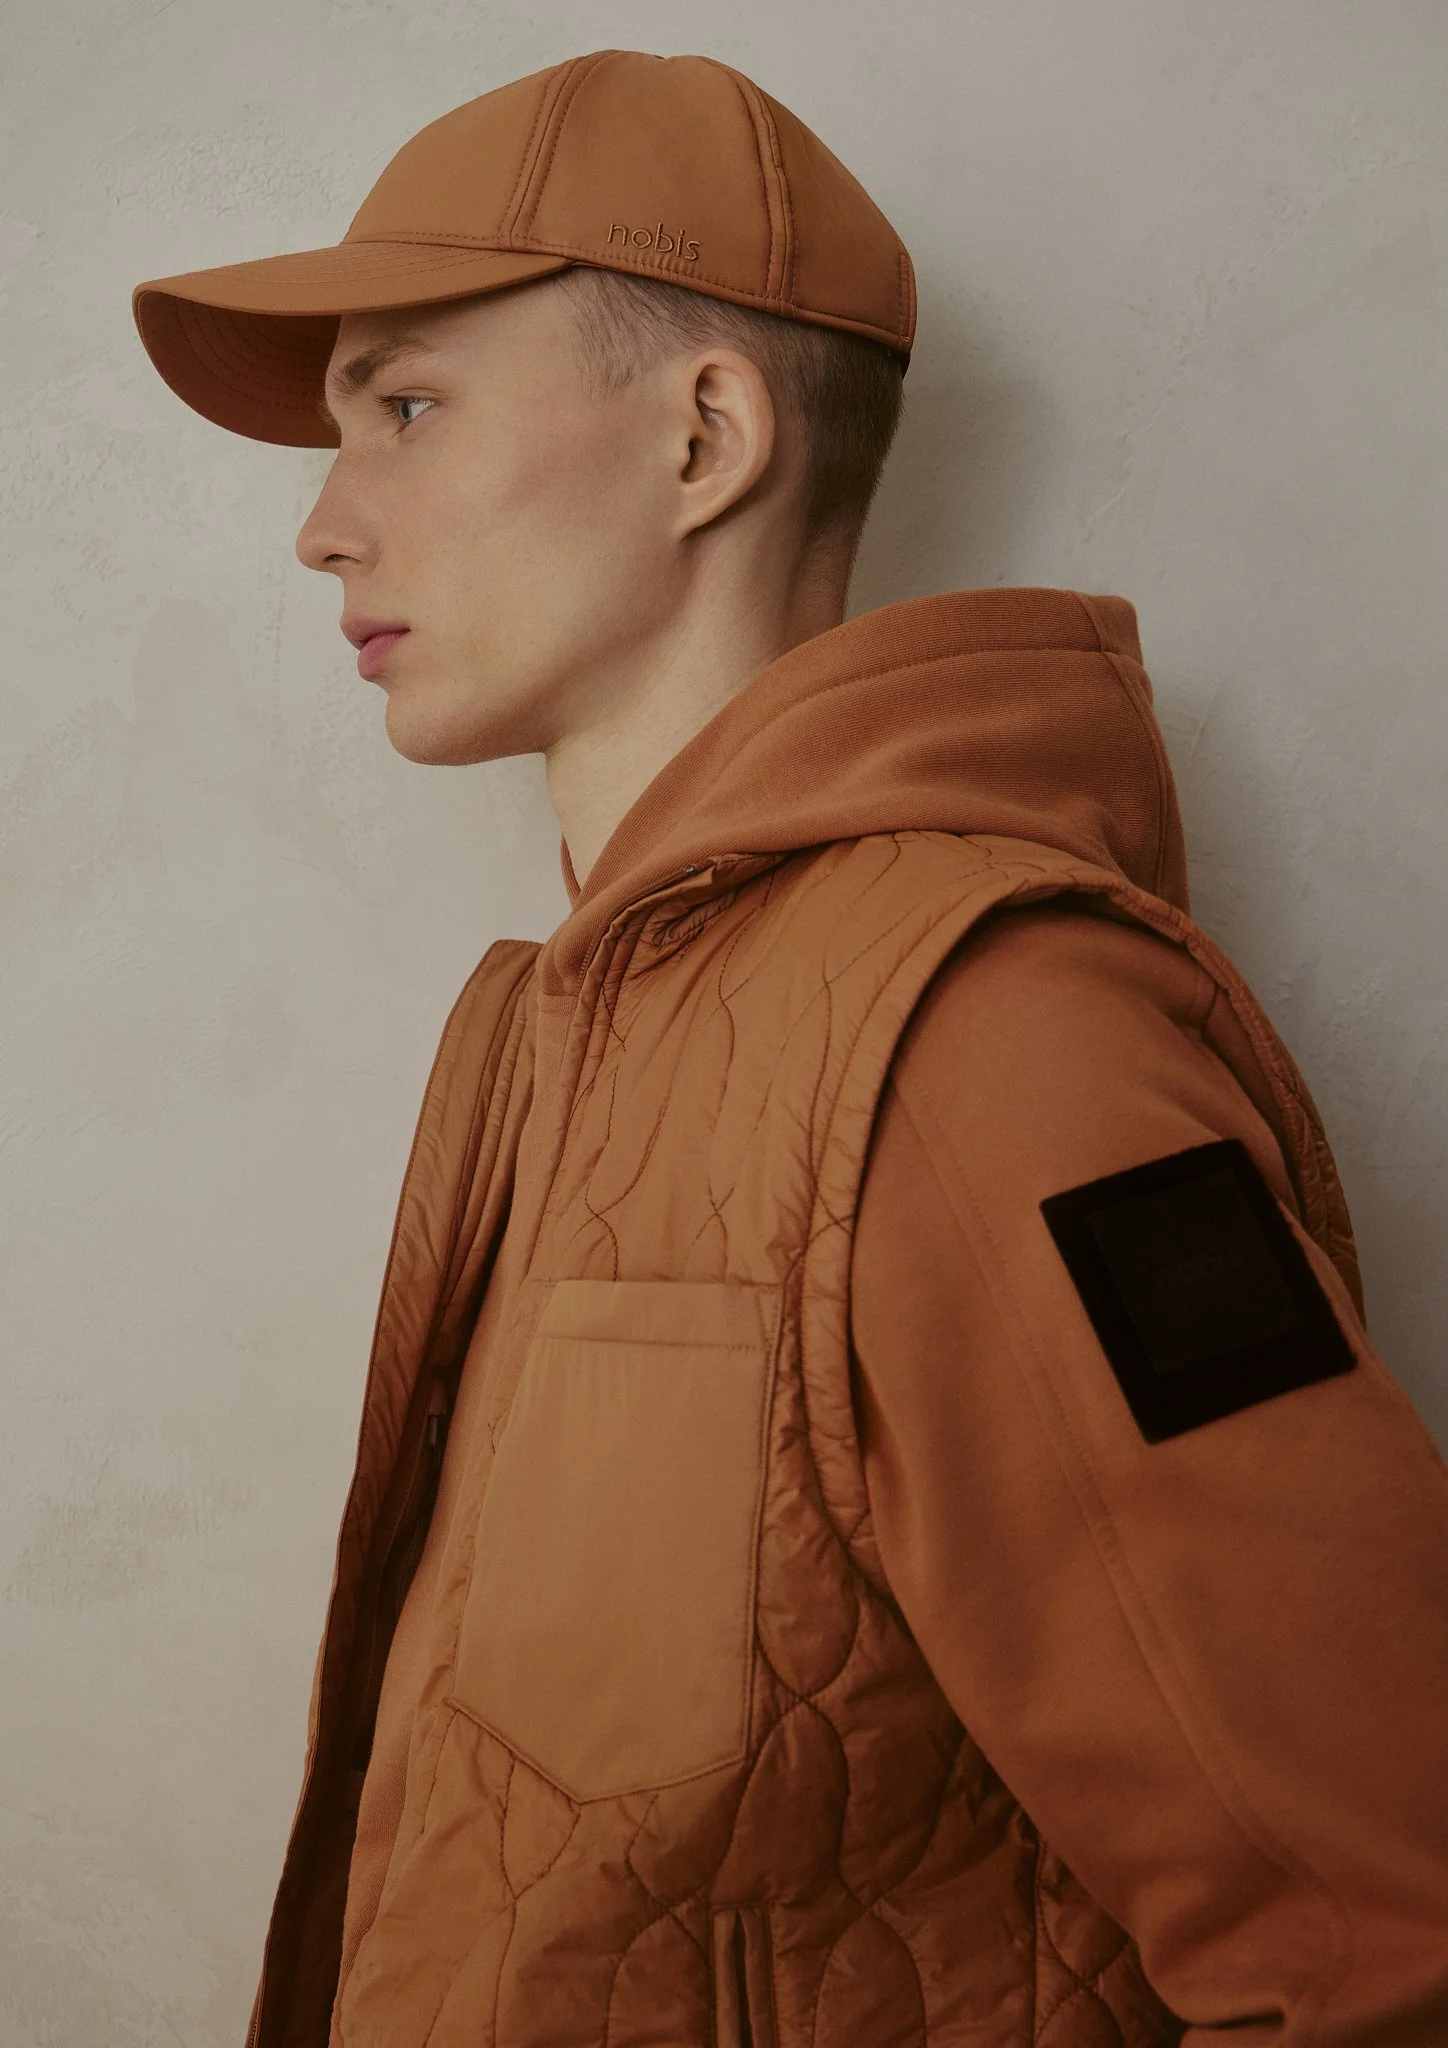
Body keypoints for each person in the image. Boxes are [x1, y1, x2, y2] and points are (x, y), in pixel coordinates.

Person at [131, 47, 1448, 2048]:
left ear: (706, 436)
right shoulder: (564, 1037)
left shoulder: (991, 1040)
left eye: (404, 408)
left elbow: (1392, 1930)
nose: (322, 527)